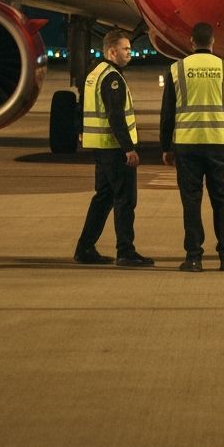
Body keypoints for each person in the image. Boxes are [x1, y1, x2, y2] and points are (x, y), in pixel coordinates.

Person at [160, 22, 224, 272]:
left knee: (191, 202)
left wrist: (166, 146)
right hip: (218, 143)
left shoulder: (177, 69)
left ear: (192, 42)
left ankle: (194, 257)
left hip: (187, 145)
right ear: (213, 42)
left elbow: (167, 114)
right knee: (222, 201)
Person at [74, 29, 154, 268]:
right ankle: (125, 251)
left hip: (100, 147)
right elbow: (115, 115)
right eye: (125, 49)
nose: (130, 53)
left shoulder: (94, 73)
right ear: (112, 51)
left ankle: (85, 248)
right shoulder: (113, 78)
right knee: (125, 200)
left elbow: (82, 107)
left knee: (104, 197)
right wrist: (128, 148)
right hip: (114, 148)